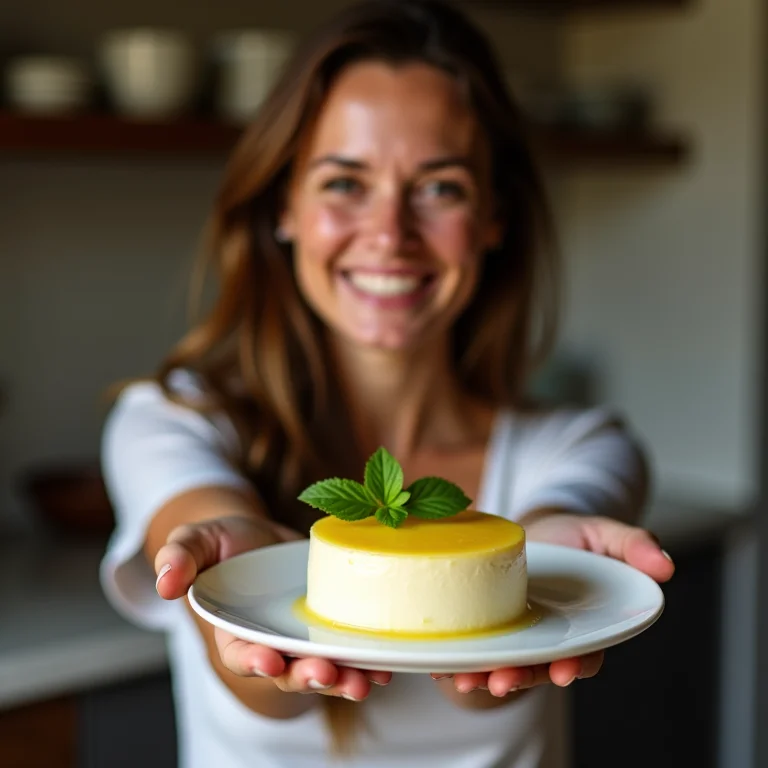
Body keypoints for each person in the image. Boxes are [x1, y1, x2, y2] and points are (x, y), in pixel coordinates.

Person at [99, 1, 675, 766]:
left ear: (494, 215)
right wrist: (236, 579)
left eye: (439, 188)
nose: (389, 235)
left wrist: (528, 589)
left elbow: (519, 604)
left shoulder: (583, 446)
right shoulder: (170, 420)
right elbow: (243, 666)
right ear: (285, 207)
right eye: (344, 183)